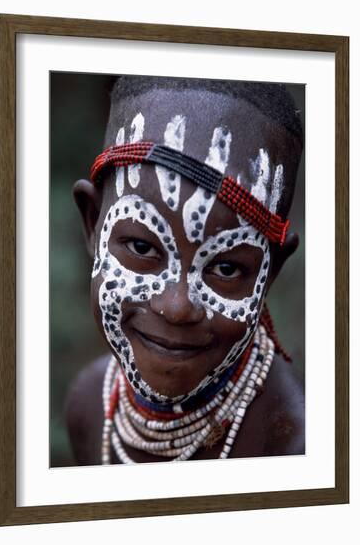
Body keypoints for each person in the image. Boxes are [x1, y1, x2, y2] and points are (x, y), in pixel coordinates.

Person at [65, 75, 305, 465]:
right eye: (142, 247)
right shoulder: (88, 404)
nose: (177, 307)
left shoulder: (300, 448)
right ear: (94, 223)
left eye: (226, 267)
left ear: (269, 272)